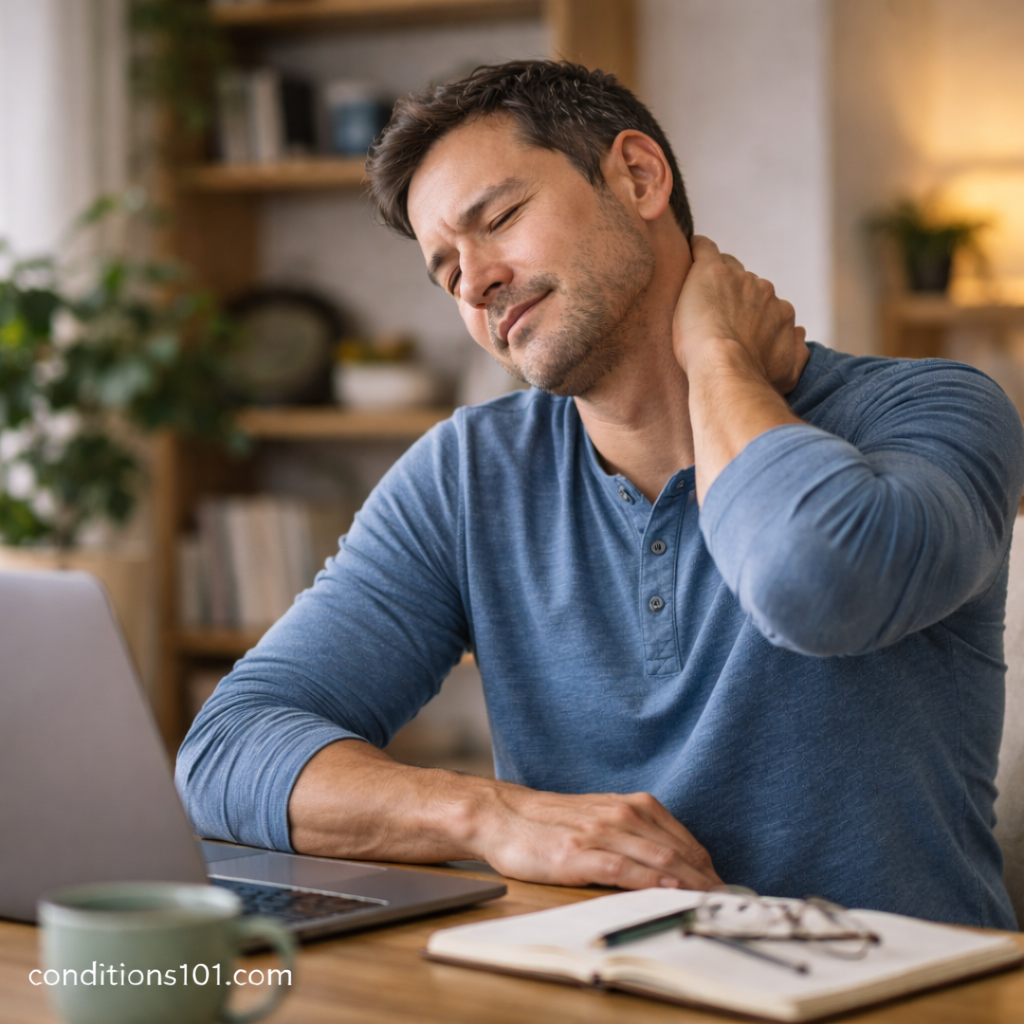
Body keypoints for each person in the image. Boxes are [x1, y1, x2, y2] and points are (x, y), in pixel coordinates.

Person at [177, 61, 1024, 928]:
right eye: (445, 271)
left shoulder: (935, 408)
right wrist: (490, 816)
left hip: (901, 997)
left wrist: (718, 353)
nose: (474, 283)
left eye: (499, 219)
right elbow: (226, 750)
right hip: (596, 989)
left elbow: (814, 584)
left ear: (638, 176)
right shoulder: (470, 473)